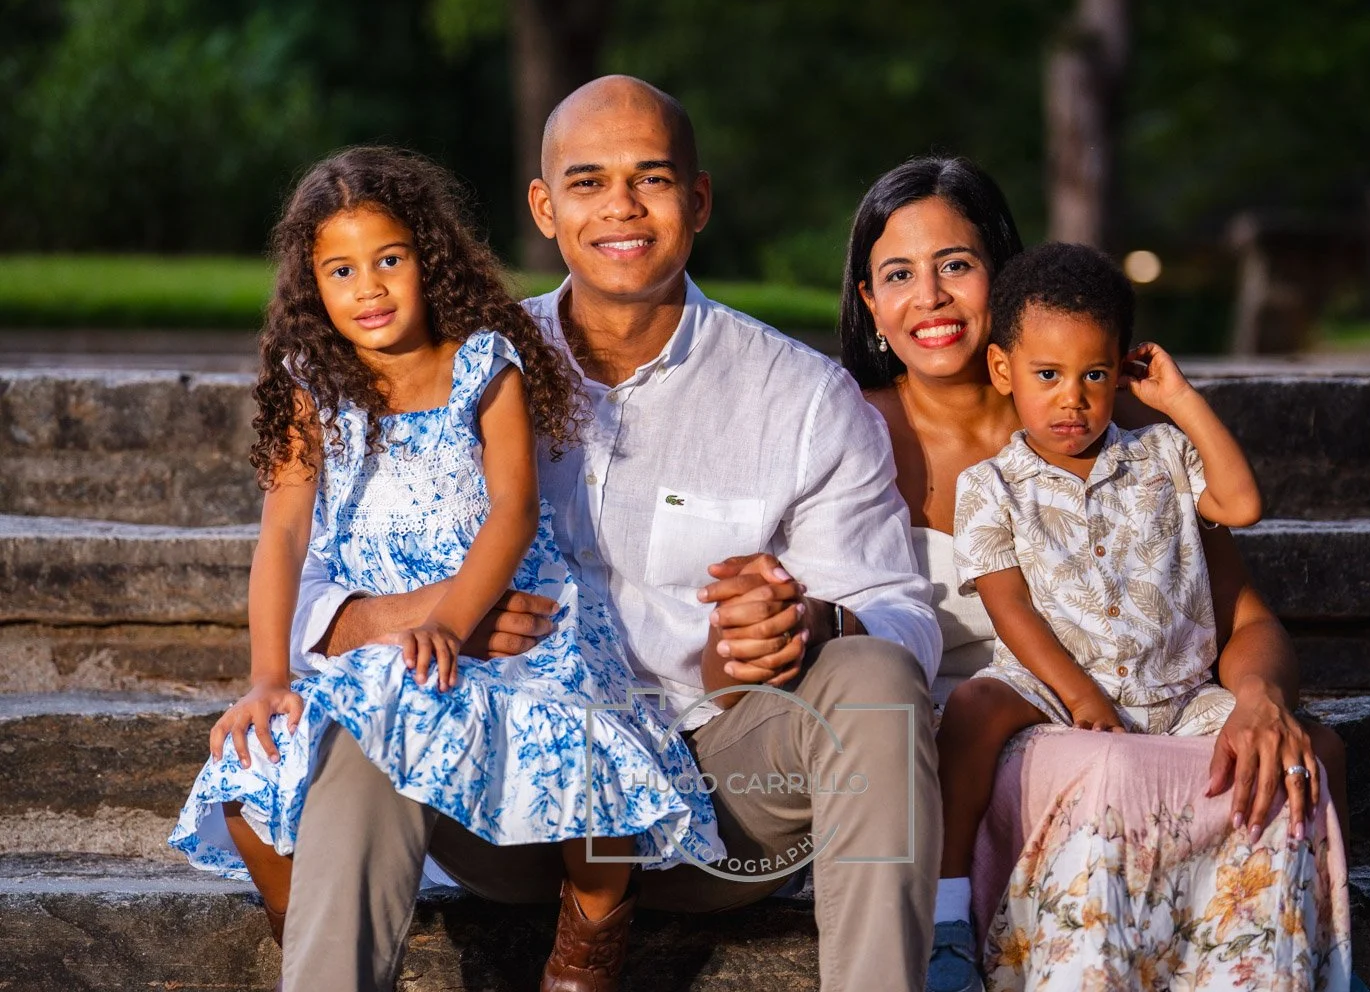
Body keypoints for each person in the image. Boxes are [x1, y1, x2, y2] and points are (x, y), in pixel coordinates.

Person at [279, 77, 943, 992]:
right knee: (373, 708)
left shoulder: (800, 397)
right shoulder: (452, 370)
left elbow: (903, 615)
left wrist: (812, 623)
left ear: (698, 200)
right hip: (509, 787)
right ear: (545, 209)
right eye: (588, 182)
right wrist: (418, 615)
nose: (622, 208)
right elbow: (305, 587)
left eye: (654, 179)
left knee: (876, 682)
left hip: (719, 798)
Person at [167, 145, 721, 991]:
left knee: (587, 758)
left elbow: (515, 511)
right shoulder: (312, 383)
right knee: (248, 782)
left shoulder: (481, 364)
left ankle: (589, 940)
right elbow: (283, 533)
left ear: (429, 260)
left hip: (514, 618)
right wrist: (268, 673)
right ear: (312, 285)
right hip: (381, 642)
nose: (370, 287)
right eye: (341, 269)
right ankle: (311, 930)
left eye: (390, 260)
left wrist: (451, 623)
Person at [840, 157, 1351, 992]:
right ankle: (955, 929)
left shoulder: (1118, 429)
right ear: (869, 300)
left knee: (1306, 755)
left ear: (1001, 277)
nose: (928, 297)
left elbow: (1243, 615)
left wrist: (1260, 700)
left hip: (1140, 701)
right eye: (899, 274)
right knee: (1091, 763)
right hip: (980, 730)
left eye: (957, 266)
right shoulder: (836, 428)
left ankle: (1294, 954)